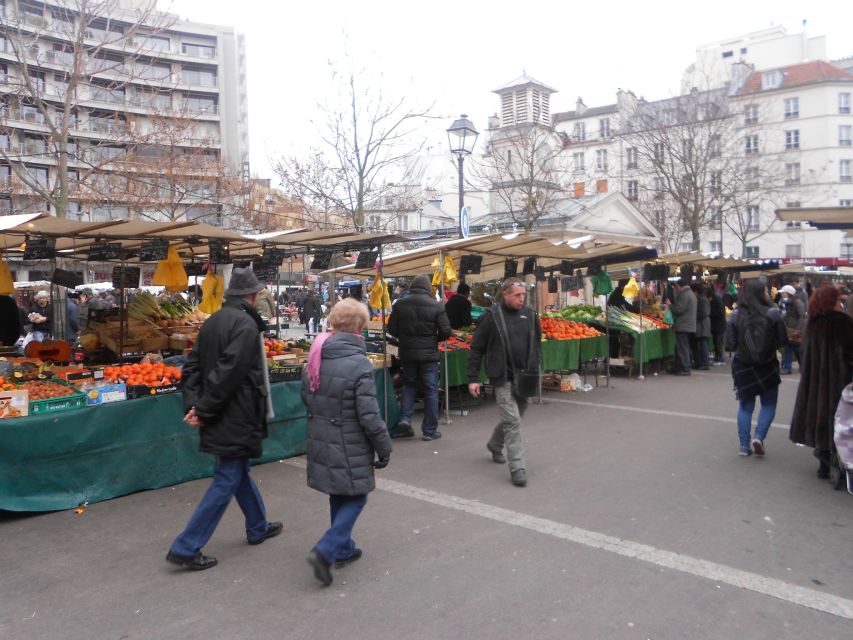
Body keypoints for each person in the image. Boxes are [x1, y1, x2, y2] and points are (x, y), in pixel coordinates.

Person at [166, 267, 282, 571]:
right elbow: (227, 374)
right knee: (228, 476)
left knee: (237, 469)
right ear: (253, 296)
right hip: (236, 412)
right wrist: (202, 409)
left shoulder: (213, 321)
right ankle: (186, 546)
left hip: (221, 411)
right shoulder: (245, 325)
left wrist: (194, 405)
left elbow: (192, 368)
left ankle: (257, 525)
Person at [302, 299, 393, 586]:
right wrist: (384, 445)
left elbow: (305, 396)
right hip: (348, 439)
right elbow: (369, 414)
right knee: (357, 495)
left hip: (321, 435)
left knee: (338, 492)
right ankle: (327, 549)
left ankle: (342, 547)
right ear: (361, 328)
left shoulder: (316, 354)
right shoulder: (359, 364)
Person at [467, 278, 542, 487]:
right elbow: (476, 349)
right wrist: (472, 378)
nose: (521, 299)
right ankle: (518, 467)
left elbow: (536, 344)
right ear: (506, 295)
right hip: (502, 377)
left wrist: (536, 367)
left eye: (523, 295)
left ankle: (495, 443)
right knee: (513, 421)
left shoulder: (530, 315)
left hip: (525, 377)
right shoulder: (491, 317)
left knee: (517, 417)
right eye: (517, 295)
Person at [789, 286, 853, 478]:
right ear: (833, 302)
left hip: (814, 381)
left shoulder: (813, 323)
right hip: (837, 381)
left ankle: (822, 463)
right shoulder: (842, 322)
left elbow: (804, 352)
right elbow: (850, 352)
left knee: (818, 417)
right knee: (837, 420)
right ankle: (836, 463)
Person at [726, 278, 787, 457]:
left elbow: (730, 343)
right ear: (761, 293)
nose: (768, 293)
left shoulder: (736, 315)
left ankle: (744, 446)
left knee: (745, 407)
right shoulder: (773, 313)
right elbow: (783, 340)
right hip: (768, 364)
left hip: (743, 365)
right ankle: (759, 437)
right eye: (766, 291)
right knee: (769, 404)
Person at [387, 274, 452, 440]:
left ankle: (405, 419)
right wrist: (432, 339)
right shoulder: (436, 306)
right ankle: (429, 431)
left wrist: (406, 338)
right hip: (429, 355)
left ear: (412, 286)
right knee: (430, 389)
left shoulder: (400, 304)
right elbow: (446, 332)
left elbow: (392, 329)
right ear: (428, 288)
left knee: (409, 384)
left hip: (407, 352)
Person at [667, 279, 696, 375]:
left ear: (679, 286)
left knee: (682, 348)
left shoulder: (684, 294)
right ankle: (677, 367)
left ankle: (685, 369)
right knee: (679, 347)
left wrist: (670, 305)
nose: (676, 289)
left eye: (676, 287)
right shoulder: (691, 293)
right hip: (688, 325)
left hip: (683, 325)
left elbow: (679, 309)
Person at [778, 284, 805, 375]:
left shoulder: (797, 302)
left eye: (784, 293)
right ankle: (787, 367)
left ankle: (801, 366)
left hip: (795, 329)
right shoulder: (782, 303)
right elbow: (782, 314)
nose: (782, 295)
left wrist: (798, 330)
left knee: (797, 349)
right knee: (789, 348)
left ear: (789, 293)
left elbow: (802, 316)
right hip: (787, 329)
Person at [691, 282, 710, 370]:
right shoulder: (701, 298)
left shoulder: (702, 299)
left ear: (696, 291)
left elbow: (704, 312)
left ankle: (705, 363)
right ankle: (700, 363)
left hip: (702, 325)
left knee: (703, 343)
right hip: (701, 324)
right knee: (701, 343)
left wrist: (693, 315)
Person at [707, 287, 727, 365]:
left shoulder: (717, 301)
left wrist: (710, 313)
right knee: (716, 342)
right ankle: (717, 358)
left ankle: (720, 359)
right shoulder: (716, 300)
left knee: (719, 342)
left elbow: (719, 313)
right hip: (717, 326)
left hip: (719, 326)